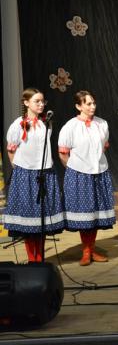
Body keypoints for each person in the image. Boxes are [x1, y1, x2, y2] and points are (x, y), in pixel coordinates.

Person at [4, 88, 64, 262]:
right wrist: (19, 170)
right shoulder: (18, 124)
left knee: (42, 219)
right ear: (26, 103)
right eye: (36, 101)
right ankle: (33, 259)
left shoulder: (47, 123)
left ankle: (41, 258)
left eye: (42, 101)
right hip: (26, 174)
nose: (41, 104)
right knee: (29, 219)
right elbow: (11, 150)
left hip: (45, 172)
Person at [58, 90, 115, 266]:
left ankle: (92, 249)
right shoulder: (70, 126)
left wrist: (94, 162)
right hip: (79, 174)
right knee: (85, 215)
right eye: (88, 103)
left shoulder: (102, 124)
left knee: (95, 214)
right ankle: (86, 251)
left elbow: (102, 147)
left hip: (99, 172)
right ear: (78, 106)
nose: (92, 107)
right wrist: (75, 170)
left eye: (93, 103)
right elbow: (63, 153)